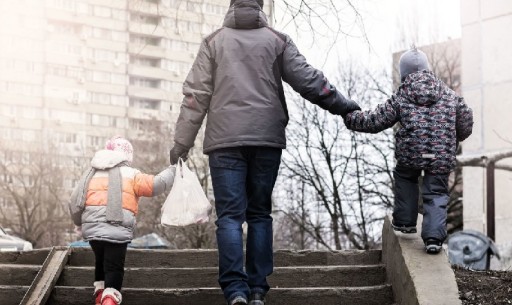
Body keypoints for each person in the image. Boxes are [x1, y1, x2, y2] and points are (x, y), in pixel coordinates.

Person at [169, 0, 360, 304]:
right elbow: (310, 81)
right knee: (259, 213)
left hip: (225, 141)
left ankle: (234, 291)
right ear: (260, 7)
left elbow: (195, 97)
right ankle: (257, 289)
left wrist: (181, 143)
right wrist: (344, 107)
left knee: (230, 216)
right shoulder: (277, 41)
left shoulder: (213, 42)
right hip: (266, 138)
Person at [343, 47, 474, 254]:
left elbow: (376, 120)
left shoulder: (402, 95)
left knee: (406, 177)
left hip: (410, 153)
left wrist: (351, 118)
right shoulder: (449, 94)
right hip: (441, 155)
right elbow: (466, 121)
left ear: (404, 73)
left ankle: (405, 222)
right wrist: (455, 137)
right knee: (437, 192)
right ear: (428, 69)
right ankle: (433, 239)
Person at [69, 136, 175, 305]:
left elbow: (75, 200)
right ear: (127, 157)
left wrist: (79, 223)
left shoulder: (91, 173)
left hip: (93, 231)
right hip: (116, 229)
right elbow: (155, 185)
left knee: (100, 262)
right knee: (113, 267)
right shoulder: (132, 174)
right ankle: (109, 299)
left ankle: (99, 296)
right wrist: (173, 170)